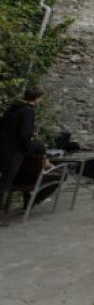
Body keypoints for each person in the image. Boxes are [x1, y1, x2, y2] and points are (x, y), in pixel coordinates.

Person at [0, 86, 43, 215]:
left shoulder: (13, 108)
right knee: (5, 183)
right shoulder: (28, 111)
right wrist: (31, 142)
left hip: (3, 147)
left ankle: (28, 199)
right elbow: (24, 134)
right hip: (13, 151)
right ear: (36, 99)